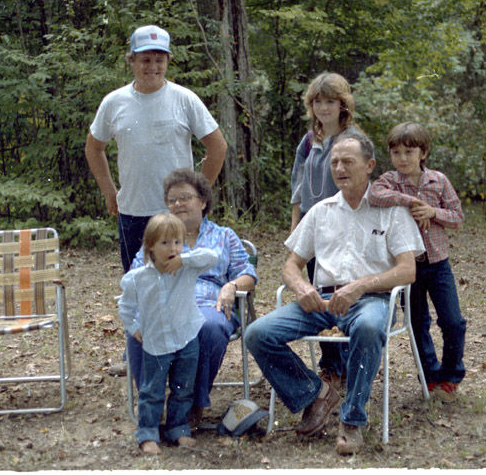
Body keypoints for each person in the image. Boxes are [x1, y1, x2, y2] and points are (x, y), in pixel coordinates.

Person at [245, 131, 425, 455]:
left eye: (348, 161)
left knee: (369, 328)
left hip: (371, 299)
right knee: (257, 333)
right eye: (335, 162)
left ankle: (352, 420)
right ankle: (314, 394)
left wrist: (360, 286)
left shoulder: (391, 209)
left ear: (369, 165)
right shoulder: (321, 211)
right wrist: (301, 286)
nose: (340, 168)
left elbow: (407, 270)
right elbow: (291, 265)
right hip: (322, 301)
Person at [85, 24, 228, 273]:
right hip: (132, 212)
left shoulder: (184, 99)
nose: (153, 67)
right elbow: (94, 147)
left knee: (182, 283)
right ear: (131, 60)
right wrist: (109, 192)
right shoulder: (114, 102)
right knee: (137, 285)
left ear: (168, 61)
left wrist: (197, 194)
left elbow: (217, 145)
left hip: (178, 213)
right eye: (145, 60)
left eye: (159, 60)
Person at [127, 169, 257, 428]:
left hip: (210, 304)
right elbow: (135, 276)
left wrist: (231, 285)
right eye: (172, 199)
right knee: (139, 325)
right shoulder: (156, 238)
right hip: (164, 305)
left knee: (209, 327)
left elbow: (248, 273)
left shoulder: (224, 236)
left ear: (203, 201)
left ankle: (193, 403)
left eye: (184, 197)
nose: (177, 204)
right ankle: (150, 402)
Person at [368, 121, 466, 402]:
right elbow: (375, 195)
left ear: (423, 153)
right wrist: (410, 202)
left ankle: (451, 374)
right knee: (418, 322)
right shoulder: (389, 180)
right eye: (396, 152)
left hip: (437, 263)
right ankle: (430, 375)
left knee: (452, 321)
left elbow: (457, 217)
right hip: (406, 266)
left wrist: (431, 211)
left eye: (409, 152)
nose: (403, 159)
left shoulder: (438, 180)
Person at [118, 213, 218, 455]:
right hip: (156, 342)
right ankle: (148, 432)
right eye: (165, 243)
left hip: (187, 336)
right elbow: (125, 307)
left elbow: (212, 257)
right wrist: (135, 328)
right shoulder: (137, 278)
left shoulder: (187, 268)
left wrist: (184, 260)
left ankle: (178, 428)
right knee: (152, 390)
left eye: (177, 242)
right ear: (150, 246)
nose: (172, 248)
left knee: (184, 388)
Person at [289, 72, 363, 390]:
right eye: (318, 101)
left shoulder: (353, 139)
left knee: (340, 292)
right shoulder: (309, 141)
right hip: (311, 225)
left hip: (342, 228)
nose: (323, 108)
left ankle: (349, 363)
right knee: (317, 297)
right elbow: (297, 187)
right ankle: (330, 365)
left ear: (342, 104)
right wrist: (295, 227)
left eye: (330, 101)